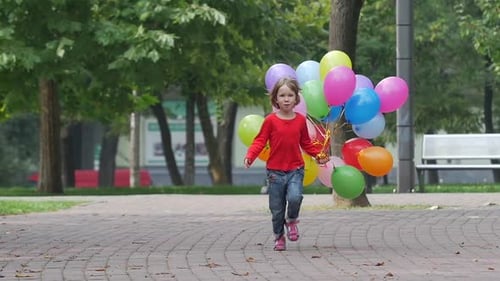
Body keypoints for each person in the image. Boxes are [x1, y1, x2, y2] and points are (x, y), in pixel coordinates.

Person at [244, 77, 329, 251]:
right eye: (282, 95)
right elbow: (260, 141)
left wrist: (318, 155)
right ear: (275, 99)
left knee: (295, 197)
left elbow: (306, 143)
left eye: (290, 95)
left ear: (296, 99)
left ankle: (292, 220)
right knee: (276, 209)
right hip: (275, 172)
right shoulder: (270, 121)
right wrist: (250, 156)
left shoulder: (299, 120)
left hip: (295, 170)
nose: (286, 99)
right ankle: (279, 237)